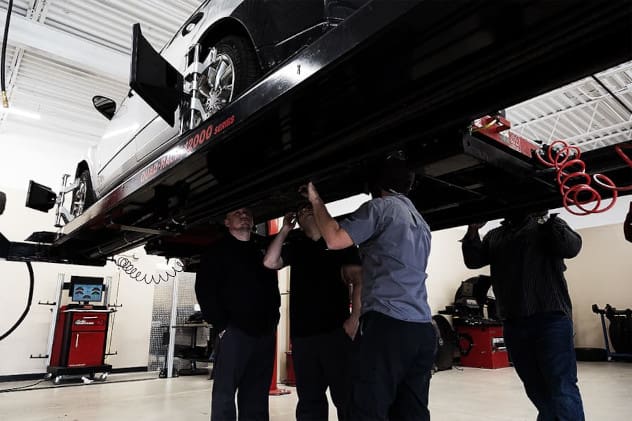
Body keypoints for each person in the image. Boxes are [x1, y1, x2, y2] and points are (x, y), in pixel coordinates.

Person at [303, 155, 437, 421]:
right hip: (422, 329)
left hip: (389, 326)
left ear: (377, 184)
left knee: (367, 407)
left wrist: (316, 200)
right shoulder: (421, 222)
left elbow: (334, 238)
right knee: (411, 411)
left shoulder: (380, 208)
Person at [461, 212, 585, 421]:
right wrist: (473, 230)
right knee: (534, 385)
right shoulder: (495, 235)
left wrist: (545, 218)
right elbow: (473, 261)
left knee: (561, 385)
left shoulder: (546, 226)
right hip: (514, 322)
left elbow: (572, 247)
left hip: (550, 318)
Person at [263, 202, 361, 421]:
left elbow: (359, 281)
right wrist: (285, 229)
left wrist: (355, 318)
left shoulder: (340, 243)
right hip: (304, 338)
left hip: (336, 334)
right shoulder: (297, 246)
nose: (305, 211)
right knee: (309, 401)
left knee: (347, 397)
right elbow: (270, 261)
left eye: (309, 208)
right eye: (300, 210)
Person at [195, 207, 280, 421]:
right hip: (234, 332)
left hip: (264, 332)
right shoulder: (216, 252)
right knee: (225, 393)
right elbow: (204, 291)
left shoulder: (260, 249)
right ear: (226, 222)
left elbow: (272, 288)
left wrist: (274, 320)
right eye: (237, 213)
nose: (244, 215)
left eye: (248, 213)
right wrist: (222, 327)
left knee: (257, 394)